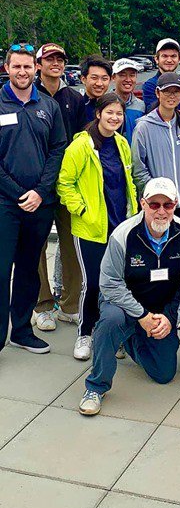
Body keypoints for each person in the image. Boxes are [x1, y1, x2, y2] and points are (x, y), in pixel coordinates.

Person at [78, 177, 180, 416]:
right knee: (110, 321)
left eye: (168, 205)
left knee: (163, 374)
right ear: (143, 204)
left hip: (160, 308)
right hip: (123, 305)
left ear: (175, 204)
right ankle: (96, 386)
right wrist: (141, 315)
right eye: (154, 204)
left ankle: (130, 339)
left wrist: (170, 318)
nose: (161, 211)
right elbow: (108, 283)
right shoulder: (123, 235)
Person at [57, 92, 137, 360]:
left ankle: (113, 334)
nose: (114, 118)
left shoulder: (123, 144)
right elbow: (64, 184)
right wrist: (82, 210)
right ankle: (85, 334)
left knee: (120, 283)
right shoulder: (81, 146)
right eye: (109, 112)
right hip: (91, 228)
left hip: (119, 227)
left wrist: (134, 213)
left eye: (119, 113)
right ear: (98, 114)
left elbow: (130, 182)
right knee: (92, 284)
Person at [0, 44, 67, 354]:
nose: (23, 72)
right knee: (2, 271)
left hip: (40, 204)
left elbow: (57, 150)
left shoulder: (48, 107)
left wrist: (40, 192)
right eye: (17, 67)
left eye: (28, 66)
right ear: (7, 68)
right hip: (5, 204)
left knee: (28, 270)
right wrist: (18, 193)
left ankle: (22, 331)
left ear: (36, 68)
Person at [32, 42, 84, 332]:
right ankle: (42, 305)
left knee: (70, 245)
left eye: (60, 59)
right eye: (49, 58)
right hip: (37, 186)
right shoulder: (30, 95)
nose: (56, 63)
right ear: (39, 64)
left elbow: (79, 140)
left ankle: (70, 304)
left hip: (66, 185)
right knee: (36, 248)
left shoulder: (73, 98)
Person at [131, 72, 180, 223]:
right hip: (158, 206)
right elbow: (138, 167)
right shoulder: (143, 127)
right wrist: (156, 192)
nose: (172, 96)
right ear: (157, 93)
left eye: (177, 91)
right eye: (167, 91)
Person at [142, 38, 180, 122]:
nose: (169, 60)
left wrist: (170, 114)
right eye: (164, 56)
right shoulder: (150, 85)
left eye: (173, 56)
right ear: (156, 59)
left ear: (179, 59)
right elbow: (156, 117)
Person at [110, 57, 145, 142]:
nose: (128, 79)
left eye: (132, 75)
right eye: (122, 75)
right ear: (113, 77)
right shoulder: (104, 103)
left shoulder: (142, 106)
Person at [78, 55, 112, 124]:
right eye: (94, 78)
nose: (99, 83)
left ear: (110, 80)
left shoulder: (113, 108)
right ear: (83, 79)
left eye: (104, 79)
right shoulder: (76, 107)